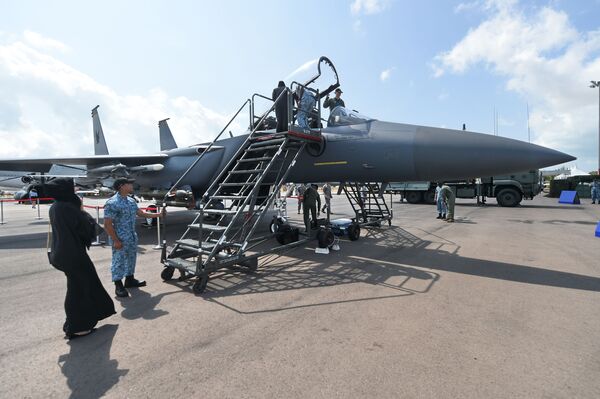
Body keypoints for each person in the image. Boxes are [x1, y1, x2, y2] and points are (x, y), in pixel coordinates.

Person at [46, 178, 115, 339]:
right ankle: (77, 327)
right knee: (79, 290)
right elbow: (88, 229)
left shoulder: (56, 206)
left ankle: (72, 323)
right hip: (73, 254)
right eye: (73, 187)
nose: (76, 189)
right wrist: (82, 210)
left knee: (78, 287)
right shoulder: (69, 207)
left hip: (62, 253)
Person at [104, 178, 164, 297]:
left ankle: (129, 279)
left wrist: (158, 215)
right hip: (119, 238)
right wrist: (115, 240)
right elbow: (107, 224)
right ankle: (118, 285)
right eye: (129, 184)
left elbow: (141, 213)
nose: (132, 185)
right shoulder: (112, 203)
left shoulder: (131, 201)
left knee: (131, 259)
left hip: (131, 237)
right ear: (122, 186)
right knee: (118, 261)